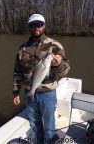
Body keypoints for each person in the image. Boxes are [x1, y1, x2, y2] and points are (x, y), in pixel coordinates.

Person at [13, 14, 70, 144]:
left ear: (44, 25)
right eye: (33, 25)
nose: (36, 27)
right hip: (29, 92)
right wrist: (16, 91)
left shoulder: (55, 45)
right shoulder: (22, 49)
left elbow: (66, 70)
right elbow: (17, 72)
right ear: (29, 27)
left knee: (49, 126)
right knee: (34, 124)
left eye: (39, 24)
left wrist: (58, 64)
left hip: (48, 94)